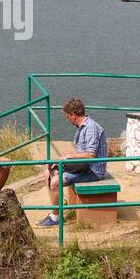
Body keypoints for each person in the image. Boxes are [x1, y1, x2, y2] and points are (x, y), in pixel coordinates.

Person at [38, 97, 108, 227]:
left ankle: (55, 217)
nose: (67, 119)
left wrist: (68, 156)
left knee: (55, 182)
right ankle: (56, 208)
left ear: (73, 115)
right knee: (48, 170)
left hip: (92, 170)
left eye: (67, 116)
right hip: (82, 166)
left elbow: (90, 155)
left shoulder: (91, 128)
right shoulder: (82, 127)